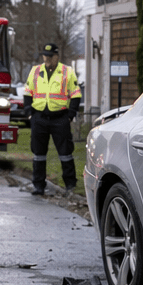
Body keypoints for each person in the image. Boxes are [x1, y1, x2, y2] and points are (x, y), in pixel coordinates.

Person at [23, 42, 82, 195]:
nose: (47, 59)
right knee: (38, 153)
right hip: (39, 117)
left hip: (60, 118)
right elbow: (28, 92)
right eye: (45, 56)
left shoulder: (67, 72)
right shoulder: (35, 71)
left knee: (65, 152)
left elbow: (75, 94)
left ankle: (70, 185)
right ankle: (38, 185)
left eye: (50, 56)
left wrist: (70, 115)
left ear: (57, 56)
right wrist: (30, 113)